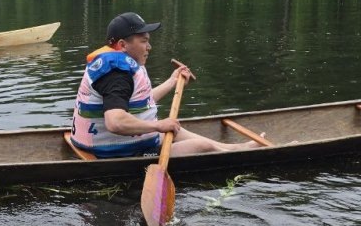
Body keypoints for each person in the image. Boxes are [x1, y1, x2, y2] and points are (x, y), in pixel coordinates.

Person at [71, 11, 260, 158]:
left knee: (178, 130)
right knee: (202, 146)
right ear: (122, 45)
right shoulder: (117, 73)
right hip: (113, 152)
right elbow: (115, 121)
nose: (149, 47)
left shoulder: (116, 64)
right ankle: (241, 155)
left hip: (104, 142)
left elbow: (139, 103)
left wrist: (172, 82)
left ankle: (236, 148)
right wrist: (158, 126)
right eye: (143, 41)